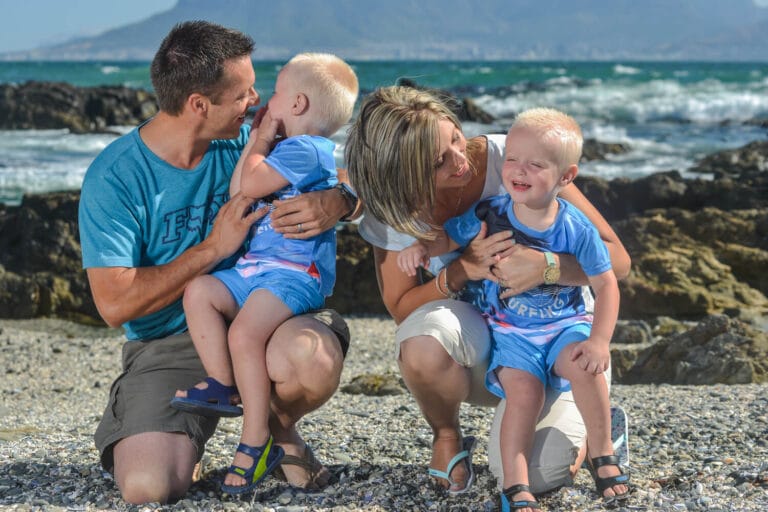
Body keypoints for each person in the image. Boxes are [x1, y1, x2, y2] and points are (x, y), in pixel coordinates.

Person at [78, 22, 359, 504]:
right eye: (243, 94)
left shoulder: (249, 141)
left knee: (310, 360)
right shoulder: (117, 176)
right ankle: (193, 432)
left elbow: (346, 165)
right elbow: (113, 304)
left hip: (264, 312)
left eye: (256, 88)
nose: (256, 102)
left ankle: (275, 434)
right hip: (168, 342)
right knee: (148, 486)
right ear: (198, 105)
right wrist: (211, 248)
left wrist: (341, 200)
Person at [344, 86, 631, 497]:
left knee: (542, 475)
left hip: (559, 340)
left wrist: (546, 267)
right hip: (492, 343)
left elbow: (616, 262)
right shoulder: (394, 209)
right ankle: (447, 437)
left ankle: (602, 425)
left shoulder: (518, 158)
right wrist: (463, 269)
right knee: (422, 342)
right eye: (438, 161)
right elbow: (402, 309)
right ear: (403, 173)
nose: (459, 161)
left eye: (456, 139)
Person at [170, 52, 359, 495]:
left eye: (273, 93)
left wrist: (258, 142)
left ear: (296, 105)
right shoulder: (286, 150)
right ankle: (223, 384)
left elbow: (249, 186)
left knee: (244, 336)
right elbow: (242, 189)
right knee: (200, 291)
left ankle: (254, 440)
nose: (263, 100)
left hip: (292, 274)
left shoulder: (306, 150)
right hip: (257, 269)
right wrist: (262, 145)